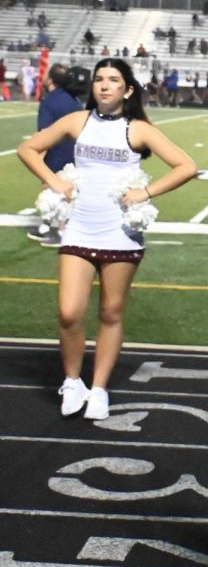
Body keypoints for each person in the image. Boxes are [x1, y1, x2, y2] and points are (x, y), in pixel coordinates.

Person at [17, 58, 197, 420]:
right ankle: (72, 381)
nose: (103, 85)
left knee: (110, 312)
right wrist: (55, 182)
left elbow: (186, 166)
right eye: (99, 79)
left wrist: (146, 193)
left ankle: (98, 387)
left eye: (113, 80)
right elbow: (28, 149)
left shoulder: (138, 129)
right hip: (79, 228)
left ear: (127, 90)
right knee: (69, 312)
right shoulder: (77, 122)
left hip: (121, 234)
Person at [27, 63, 82, 246]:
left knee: (53, 191)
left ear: (50, 79)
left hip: (56, 152)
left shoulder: (49, 101)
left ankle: (60, 231)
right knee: (66, 191)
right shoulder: (74, 100)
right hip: (75, 152)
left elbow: (44, 134)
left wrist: (38, 159)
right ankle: (47, 227)